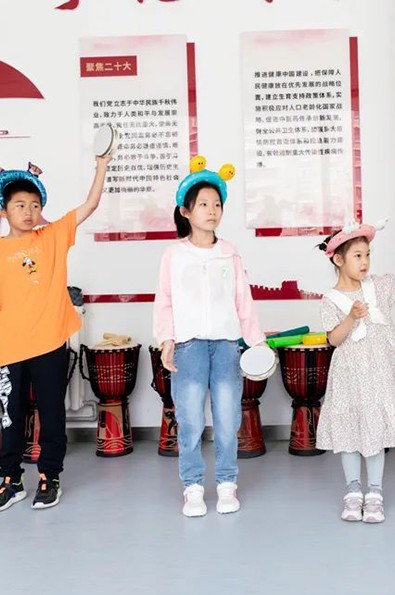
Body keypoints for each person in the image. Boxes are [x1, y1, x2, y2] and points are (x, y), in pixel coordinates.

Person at [0, 155, 111, 512]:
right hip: (12, 347)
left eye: (35, 205)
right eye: (20, 205)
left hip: (50, 343)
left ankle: (50, 477)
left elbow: (90, 205)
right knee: (10, 417)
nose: (29, 211)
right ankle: (11, 481)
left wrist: (101, 165)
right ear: (4, 210)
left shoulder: (52, 237)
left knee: (52, 414)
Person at [153, 156, 266, 518]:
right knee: (189, 420)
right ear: (185, 211)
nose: (211, 210)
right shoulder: (174, 255)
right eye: (203, 204)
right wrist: (167, 340)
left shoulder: (229, 253)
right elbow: (164, 301)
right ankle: (193, 487)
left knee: (228, 418)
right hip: (188, 346)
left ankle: (227, 483)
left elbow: (243, 300)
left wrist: (257, 342)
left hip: (226, 345)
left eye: (216, 204)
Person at [318, 220, 395, 524]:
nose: (365, 261)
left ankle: (375, 492)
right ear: (338, 259)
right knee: (349, 432)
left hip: (379, 373)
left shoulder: (377, 287)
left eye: (367, 255)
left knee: (375, 430)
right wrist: (351, 317)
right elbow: (334, 339)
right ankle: (353, 490)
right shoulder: (330, 299)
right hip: (350, 377)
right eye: (357, 256)